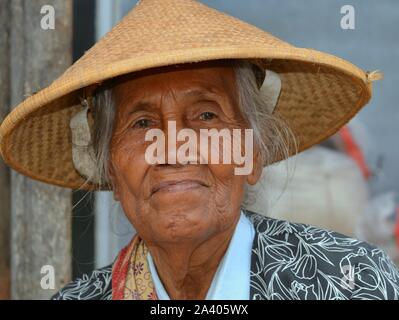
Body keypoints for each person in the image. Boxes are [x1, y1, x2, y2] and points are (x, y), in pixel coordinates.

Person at [1, 0, 397, 300]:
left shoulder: (354, 281)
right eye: (142, 124)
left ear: (252, 154)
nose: (173, 148)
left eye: (206, 116)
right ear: (109, 169)